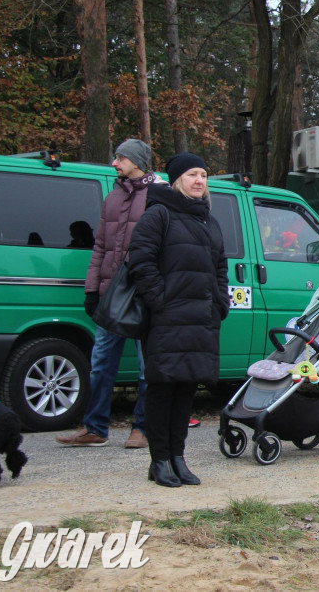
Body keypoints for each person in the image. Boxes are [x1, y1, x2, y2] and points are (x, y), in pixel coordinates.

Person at [129, 152, 228, 486]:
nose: (199, 180)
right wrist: (160, 302)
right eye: (191, 175)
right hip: (167, 319)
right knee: (162, 388)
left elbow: (220, 267)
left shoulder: (208, 220)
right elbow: (141, 262)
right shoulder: (158, 214)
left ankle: (177, 458)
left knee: (186, 388)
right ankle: (159, 462)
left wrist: (220, 303)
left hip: (201, 319)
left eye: (203, 174)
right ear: (175, 180)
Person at [56, 139, 160, 450]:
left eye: (120, 157)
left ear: (137, 160)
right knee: (100, 362)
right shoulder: (113, 196)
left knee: (146, 366)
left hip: (144, 294)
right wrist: (91, 291)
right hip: (110, 294)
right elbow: (100, 246)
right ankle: (95, 427)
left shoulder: (158, 195)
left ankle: (142, 428)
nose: (115, 163)